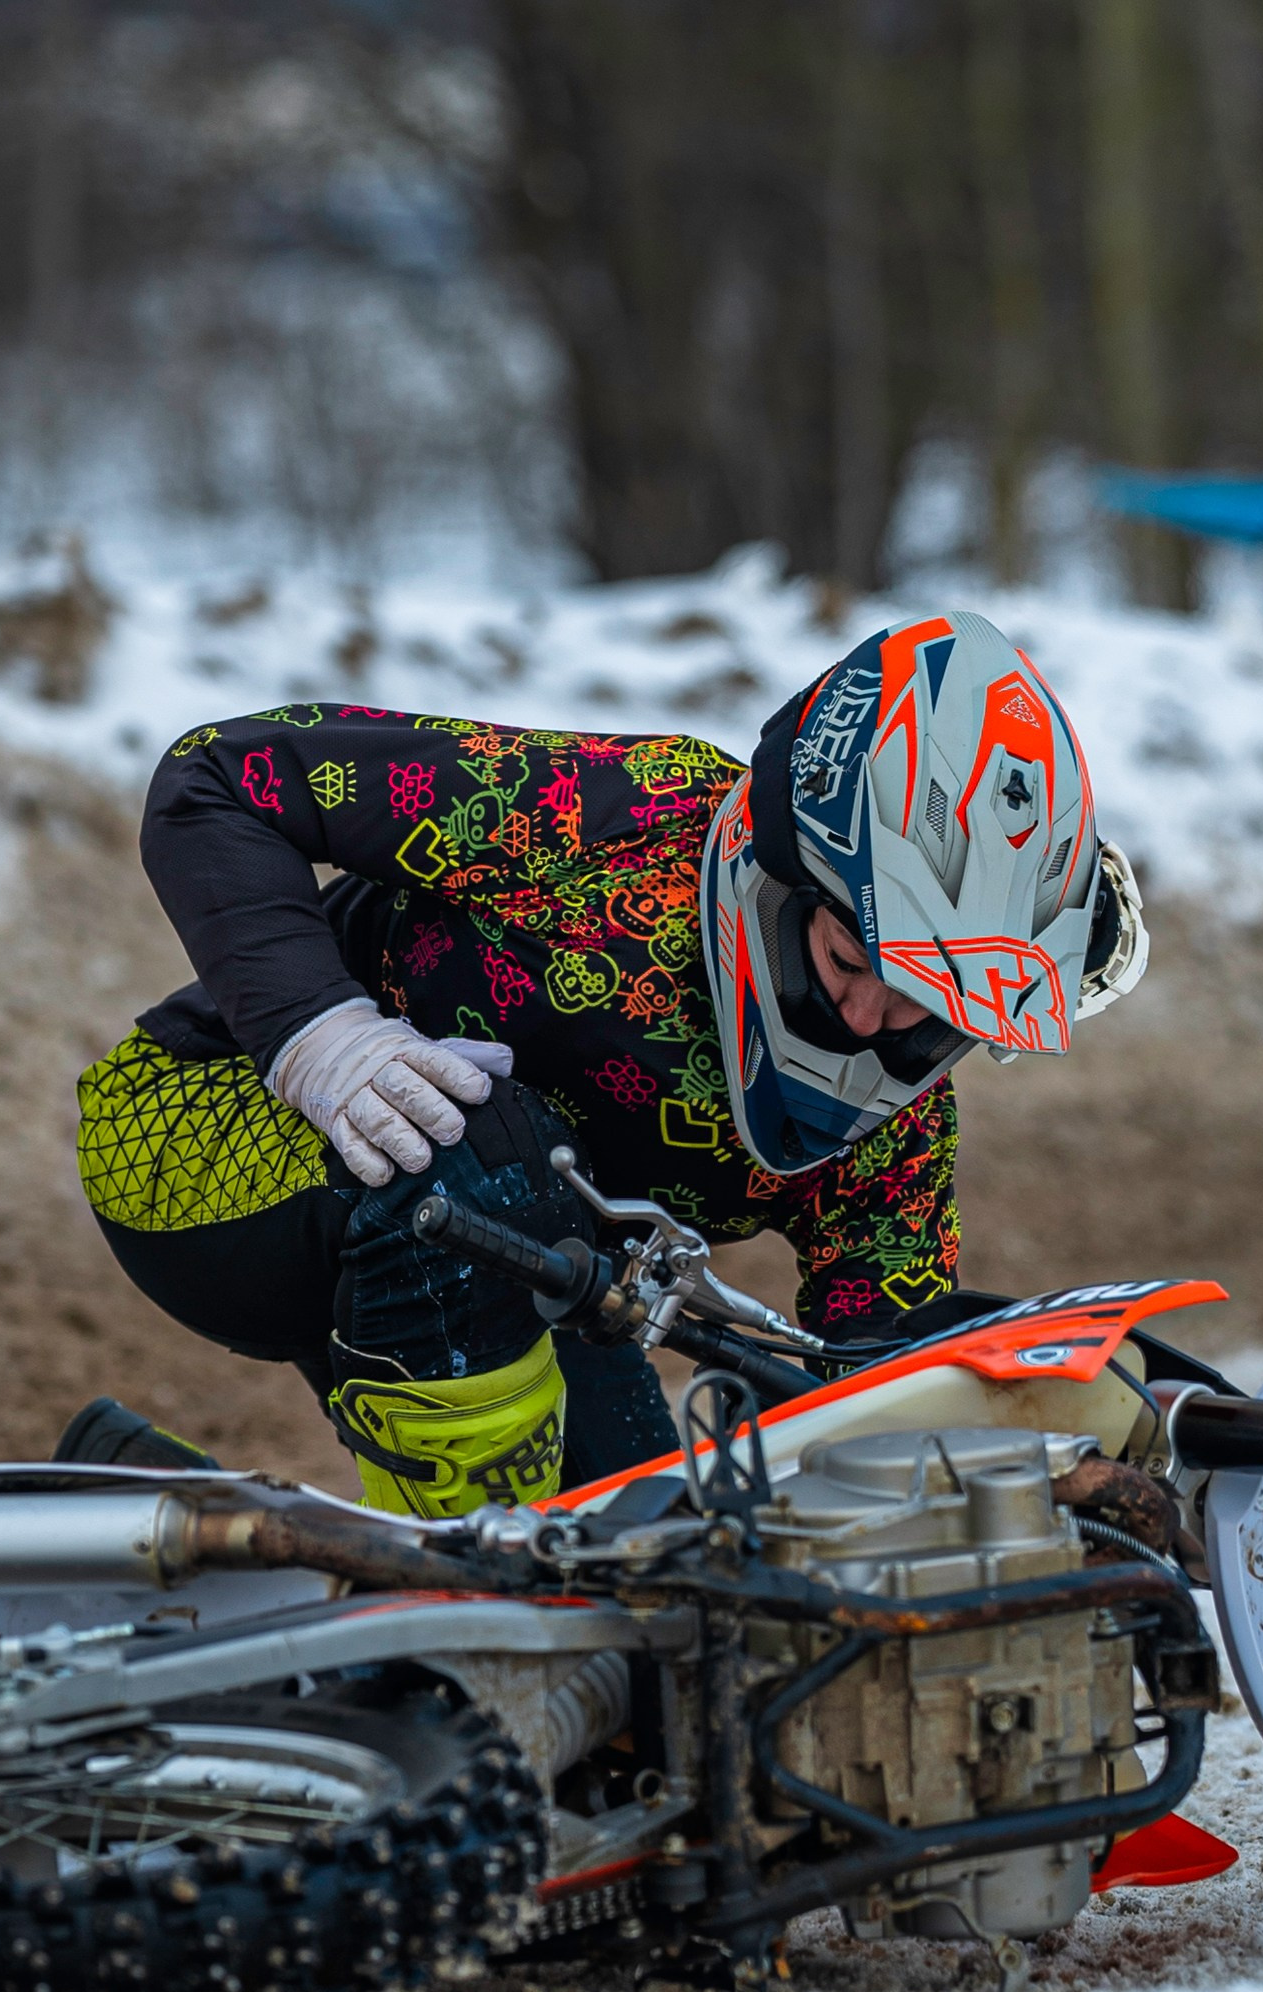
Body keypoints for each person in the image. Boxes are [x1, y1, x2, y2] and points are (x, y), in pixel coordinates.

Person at [70, 609, 1149, 1516]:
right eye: (845, 960)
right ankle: (462, 1629)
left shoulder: (899, 1132)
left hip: (516, 1250)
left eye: (927, 1010)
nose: (871, 1020)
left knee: (650, 1560)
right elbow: (218, 773)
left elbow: (855, 1395)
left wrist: (1067, 1448)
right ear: (787, 880)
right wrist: (320, 1031)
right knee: (493, 1144)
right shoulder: (626, 819)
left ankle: (131, 1503)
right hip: (201, 1133)